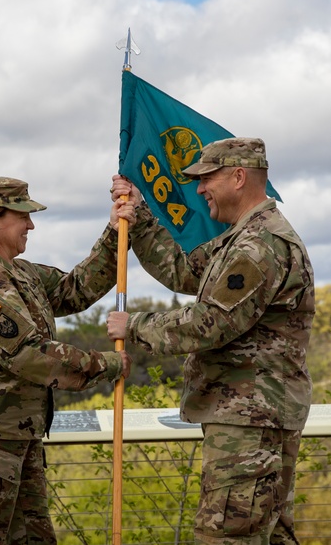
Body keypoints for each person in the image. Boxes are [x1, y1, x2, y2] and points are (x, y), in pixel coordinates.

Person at [107, 137, 315, 545]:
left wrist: (134, 327)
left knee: (227, 535)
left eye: (207, 179)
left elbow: (212, 322)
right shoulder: (242, 238)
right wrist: (140, 215)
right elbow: (183, 271)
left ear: (239, 177)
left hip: (251, 420)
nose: (200, 190)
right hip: (250, 417)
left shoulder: (259, 245)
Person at [0, 176, 134, 544]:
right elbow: (29, 354)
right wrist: (105, 364)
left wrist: (115, 228)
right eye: (22, 215)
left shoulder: (20, 273)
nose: (31, 224)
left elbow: (76, 288)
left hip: (19, 437)